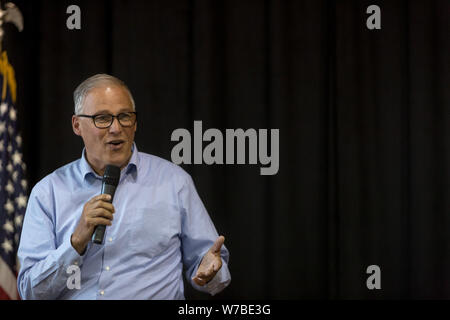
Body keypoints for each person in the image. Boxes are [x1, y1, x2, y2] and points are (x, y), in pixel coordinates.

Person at [17, 74, 231, 299]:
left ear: (135, 123)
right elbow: (30, 291)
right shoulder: (48, 192)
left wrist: (210, 274)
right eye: (102, 118)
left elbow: (211, 270)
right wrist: (76, 242)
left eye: (124, 116)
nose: (116, 128)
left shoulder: (174, 183)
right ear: (77, 125)